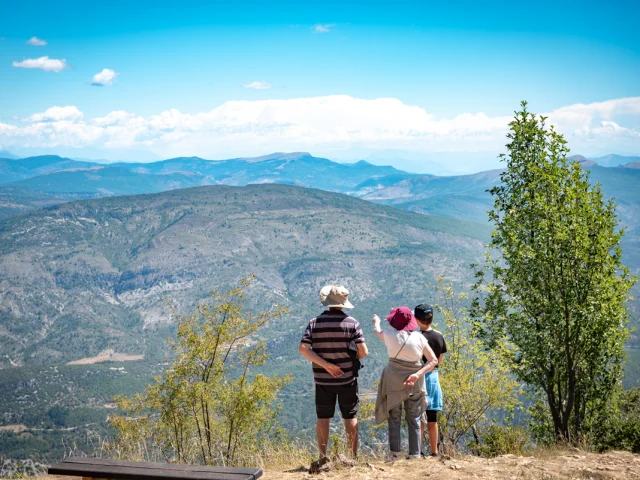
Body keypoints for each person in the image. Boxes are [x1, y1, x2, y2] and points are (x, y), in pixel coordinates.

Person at [299, 284, 369, 463]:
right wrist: (350, 361)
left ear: (327, 302)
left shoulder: (314, 323)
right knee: (350, 416)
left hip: (322, 380)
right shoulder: (352, 323)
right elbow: (363, 351)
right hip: (347, 379)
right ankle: (353, 457)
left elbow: (304, 348)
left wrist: (326, 365)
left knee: (323, 418)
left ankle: (322, 458)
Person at [373, 307, 438, 460]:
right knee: (414, 418)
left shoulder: (388, 335)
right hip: (414, 383)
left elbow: (377, 331)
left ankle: (394, 454)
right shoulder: (419, 338)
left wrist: (376, 322)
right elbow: (433, 361)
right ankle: (415, 454)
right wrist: (417, 374)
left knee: (394, 418)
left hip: (393, 381)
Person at [415, 304, 447, 457]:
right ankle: (434, 451)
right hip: (434, 378)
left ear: (416, 319)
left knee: (419, 418)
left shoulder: (416, 337)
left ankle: (418, 451)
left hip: (420, 378)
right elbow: (440, 360)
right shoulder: (439, 335)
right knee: (432, 418)